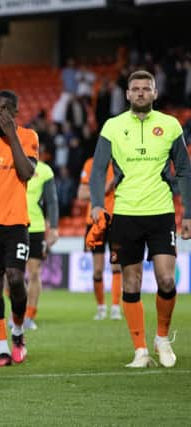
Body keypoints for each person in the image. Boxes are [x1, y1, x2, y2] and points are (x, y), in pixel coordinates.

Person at [90, 70, 191, 368]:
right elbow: (98, 169)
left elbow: (184, 170)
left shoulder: (171, 125)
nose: (141, 93)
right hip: (125, 214)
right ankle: (140, 350)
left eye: (146, 88)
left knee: (166, 279)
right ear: (127, 94)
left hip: (161, 213)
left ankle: (161, 337)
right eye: (135, 89)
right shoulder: (113, 126)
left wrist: (188, 212)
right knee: (131, 283)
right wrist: (97, 204)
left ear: (155, 93)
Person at [0, 90, 39, 367]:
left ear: (15, 113)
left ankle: (18, 333)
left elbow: (26, 173)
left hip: (16, 223)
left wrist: (11, 135)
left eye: (4, 108)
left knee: (15, 278)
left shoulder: (28, 137)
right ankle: (2, 349)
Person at [78, 156, 122, 321]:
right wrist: (103, 189)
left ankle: (116, 307)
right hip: (95, 221)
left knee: (116, 266)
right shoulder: (90, 164)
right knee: (97, 269)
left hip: (116, 220)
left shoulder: (121, 162)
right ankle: (101, 308)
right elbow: (81, 193)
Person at [23, 160, 59, 330]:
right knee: (11, 275)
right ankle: (18, 311)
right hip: (13, 225)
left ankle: (29, 315)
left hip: (35, 227)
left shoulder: (44, 170)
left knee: (34, 273)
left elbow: (51, 201)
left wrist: (53, 227)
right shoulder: (10, 162)